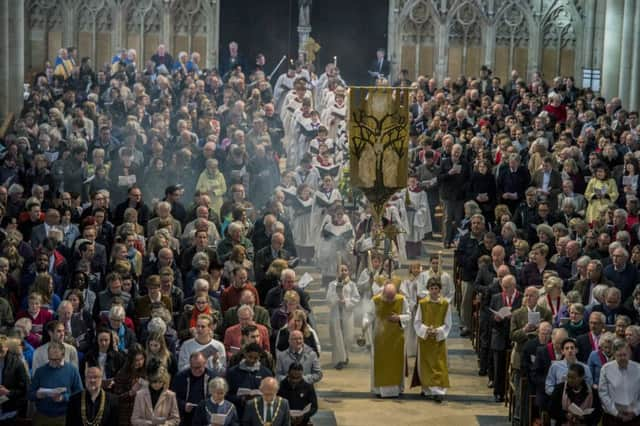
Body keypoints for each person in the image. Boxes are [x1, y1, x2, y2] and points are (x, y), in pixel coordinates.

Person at [363, 282, 410, 398]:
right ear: (383, 293)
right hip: (380, 338)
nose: (390, 300)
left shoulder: (402, 300)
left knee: (395, 363)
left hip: (396, 339)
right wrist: (365, 323)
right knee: (380, 363)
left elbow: (409, 315)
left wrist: (399, 317)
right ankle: (379, 390)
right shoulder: (376, 300)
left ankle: (397, 389)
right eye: (388, 297)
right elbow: (368, 314)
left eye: (392, 297)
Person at [412, 277, 451, 402]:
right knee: (426, 365)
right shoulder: (423, 303)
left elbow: (448, 323)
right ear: (428, 289)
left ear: (440, 289)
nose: (434, 291)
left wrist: (438, 331)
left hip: (438, 339)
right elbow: (417, 321)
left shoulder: (445, 304)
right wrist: (426, 330)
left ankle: (438, 391)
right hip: (426, 340)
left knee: (438, 364)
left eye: (436, 288)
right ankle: (427, 389)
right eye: (431, 288)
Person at [28, 341, 84, 426]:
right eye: (51, 359)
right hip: (42, 416)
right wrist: (37, 395)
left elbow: (79, 394)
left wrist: (63, 398)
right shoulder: (40, 371)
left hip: (64, 416)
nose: (53, 362)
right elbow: (29, 394)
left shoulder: (72, 370)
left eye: (57, 359)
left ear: (63, 355)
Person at [598, 340, 640, 425]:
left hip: (635, 417)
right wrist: (616, 413)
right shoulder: (606, 369)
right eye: (619, 355)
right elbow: (603, 394)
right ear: (614, 355)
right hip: (612, 418)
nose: (623, 358)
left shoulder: (638, 368)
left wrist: (635, 412)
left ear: (629, 354)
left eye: (625, 355)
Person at [326, 263, 360, 369]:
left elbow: (356, 298)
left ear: (348, 272)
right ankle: (339, 360)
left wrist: (346, 301)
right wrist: (336, 299)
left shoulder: (352, 285)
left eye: (345, 270)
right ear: (337, 272)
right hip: (336, 313)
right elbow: (328, 298)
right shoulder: (332, 284)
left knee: (348, 337)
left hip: (347, 313)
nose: (344, 272)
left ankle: (346, 355)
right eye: (341, 270)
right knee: (337, 336)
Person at [170, 351, 216, 426]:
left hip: (205, 414)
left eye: (199, 367)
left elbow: (218, 396)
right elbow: (172, 397)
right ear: (190, 365)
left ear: (205, 364)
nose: (196, 370)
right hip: (185, 414)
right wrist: (183, 405)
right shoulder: (180, 377)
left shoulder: (213, 378)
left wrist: (208, 405)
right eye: (193, 367)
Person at [0, 335, 29, 422]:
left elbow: (25, 390)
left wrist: (9, 392)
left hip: (9, 411)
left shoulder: (17, 363)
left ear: (7, 348)